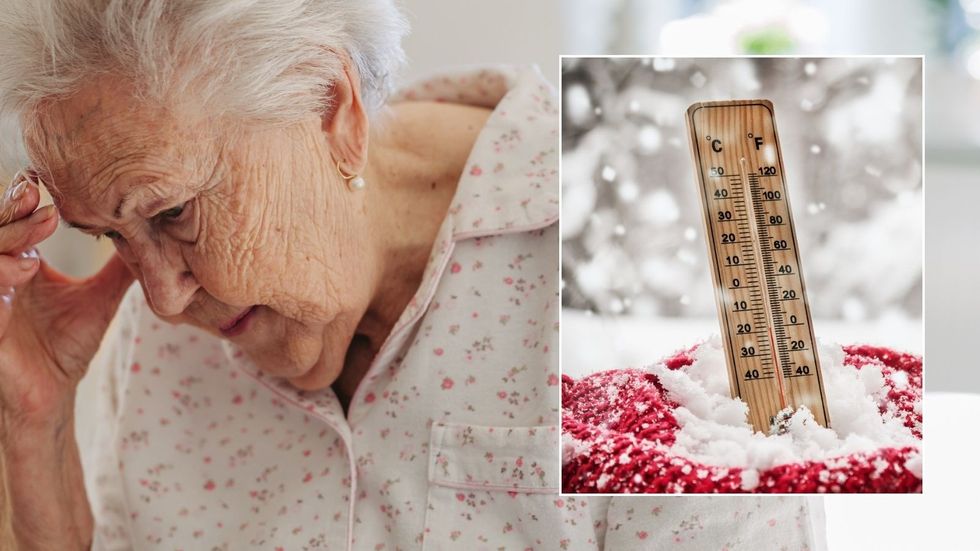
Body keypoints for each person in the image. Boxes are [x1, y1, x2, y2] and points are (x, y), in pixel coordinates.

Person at [0, 1, 825, 549]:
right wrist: (36, 432)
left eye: (174, 213)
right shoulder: (151, 326)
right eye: (108, 234)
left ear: (332, 108)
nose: (162, 294)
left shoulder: (673, 259)